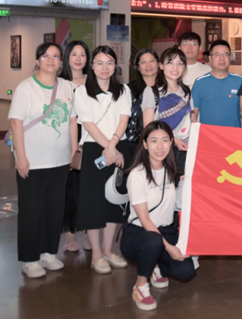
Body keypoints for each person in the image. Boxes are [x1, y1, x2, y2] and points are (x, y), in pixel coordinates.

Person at [8, 42, 77, 278]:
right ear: (38, 60)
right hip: (33, 161)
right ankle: (30, 259)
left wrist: (73, 149)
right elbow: (16, 122)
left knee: (54, 209)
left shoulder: (67, 86)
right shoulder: (26, 87)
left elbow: (72, 120)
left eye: (55, 56)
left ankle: (48, 253)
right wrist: (21, 157)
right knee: (31, 210)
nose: (50, 60)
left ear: (61, 62)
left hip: (60, 161)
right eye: (45, 56)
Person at [121, 121, 195, 311]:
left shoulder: (171, 172)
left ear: (171, 142)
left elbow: (178, 204)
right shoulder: (137, 174)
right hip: (138, 235)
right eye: (154, 141)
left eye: (165, 140)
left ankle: (155, 266)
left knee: (186, 271)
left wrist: (187, 184)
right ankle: (140, 286)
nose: (160, 146)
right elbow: (145, 219)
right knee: (154, 240)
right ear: (145, 144)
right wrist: (169, 248)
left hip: (165, 231)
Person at [75, 46, 133, 275]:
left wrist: (113, 146)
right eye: (99, 63)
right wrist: (108, 147)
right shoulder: (82, 91)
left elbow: (124, 119)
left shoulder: (124, 90)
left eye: (109, 62)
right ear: (92, 66)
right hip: (94, 149)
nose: (104, 67)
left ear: (115, 66)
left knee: (115, 200)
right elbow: (88, 124)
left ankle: (108, 250)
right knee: (93, 201)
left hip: (119, 147)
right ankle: (96, 255)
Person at [59, 40, 92, 253]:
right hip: (66, 136)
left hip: (91, 135)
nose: (78, 59)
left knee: (89, 185)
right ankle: (70, 232)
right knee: (69, 186)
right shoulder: (60, 83)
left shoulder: (94, 80)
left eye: (82, 54)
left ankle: (90, 231)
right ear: (67, 57)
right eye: (74, 54)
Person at [142, 47, 193, 181]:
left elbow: (190, 119)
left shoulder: (186, 91)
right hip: (162, 151)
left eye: (180, 63)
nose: (175, 67)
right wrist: (174, 140)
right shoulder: (152, 91)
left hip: (184, 151)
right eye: (170, 62)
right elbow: (149, 126)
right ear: (161, 66)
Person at [192, 40, 242, 127]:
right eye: (217, 55)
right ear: (210, 58)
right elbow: (194, 112)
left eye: (225, 54)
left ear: (230, 57)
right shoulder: (200, 82)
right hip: (209, 134)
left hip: (234, 134)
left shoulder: (240, 81)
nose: (222, 58)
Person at [127, 49, 160, 151]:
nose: (148, 65)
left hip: (161, 143)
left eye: (151, 60)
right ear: (138, 67)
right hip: (134, 144)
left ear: (158, 64)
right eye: (143, 62)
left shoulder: (166, 88)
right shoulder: (129, 90)